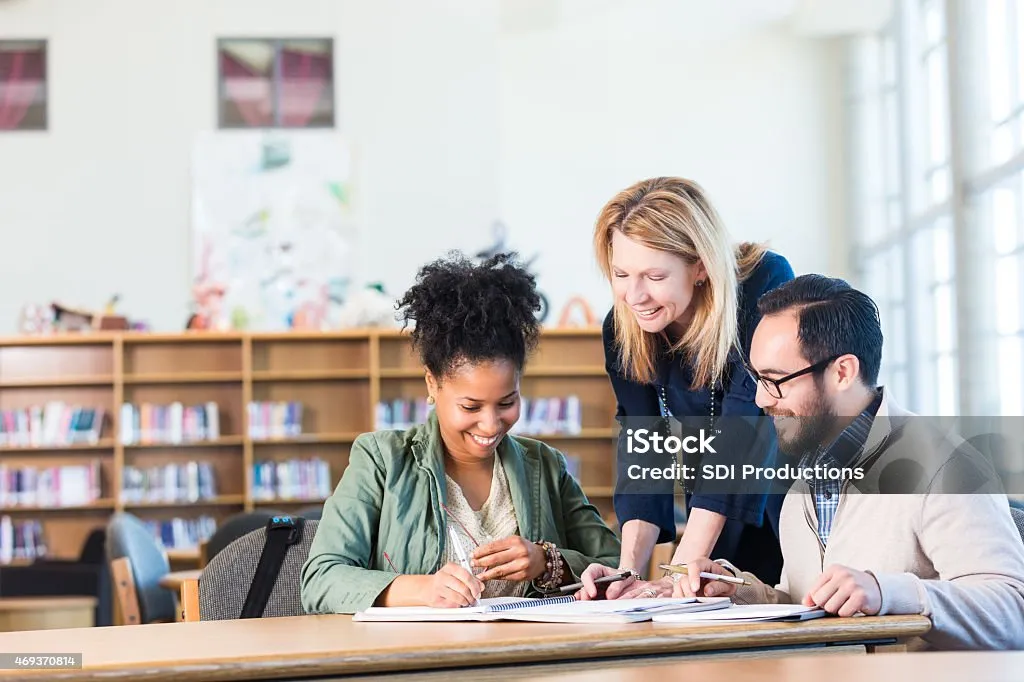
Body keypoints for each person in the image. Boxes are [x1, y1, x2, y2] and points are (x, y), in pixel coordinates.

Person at [678, 274, 1024, 650]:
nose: (761, 399)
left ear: (842, 372)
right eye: (756, 379)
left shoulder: (945, 465)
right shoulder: (802, 480)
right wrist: (742, 593)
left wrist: (885, 591)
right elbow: (809, 607)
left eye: (775, 380)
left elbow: (1011, 611)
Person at [301, 253, 621, 614]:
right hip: (422, 662)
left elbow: (617, 567)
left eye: (507, 403)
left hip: (528, 659)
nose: (490, 425)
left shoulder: (545, 466)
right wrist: (421, 589)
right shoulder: (381, 461)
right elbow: (321, 579)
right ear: (432, 384)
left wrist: (547, 564)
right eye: (471, 407)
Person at [581, 177, 794, 600]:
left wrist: (680, 570)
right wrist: (629, 573)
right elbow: (644, 448)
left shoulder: (764, 283)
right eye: (621, 273)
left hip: (784, 503)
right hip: (712, 511)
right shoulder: (622, 327)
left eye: (654, 275)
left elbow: (745, 427)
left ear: (700, 266)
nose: (633, 295)